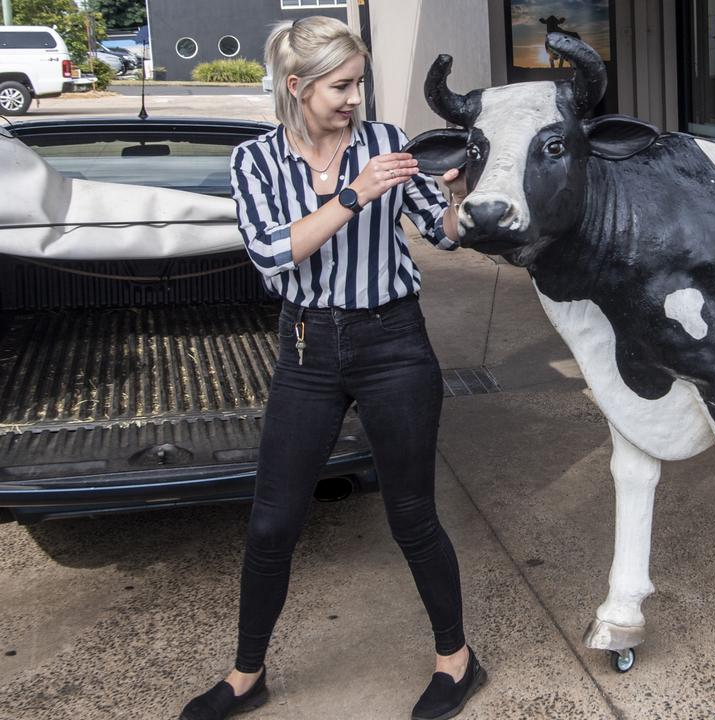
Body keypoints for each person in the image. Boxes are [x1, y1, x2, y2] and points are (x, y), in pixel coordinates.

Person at [180, 17, 483, 720]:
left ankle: (456, 662)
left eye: (359, 83)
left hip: (394, 344)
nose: (354, 97)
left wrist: (457, 197)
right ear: (298, 86)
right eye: (341, 85)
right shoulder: (255, 161)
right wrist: (352, 195)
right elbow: (273, 253)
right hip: (309, 350)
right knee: (272, 523)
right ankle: (245, 675)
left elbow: (442, 232)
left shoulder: (384, 143)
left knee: (412, 515)